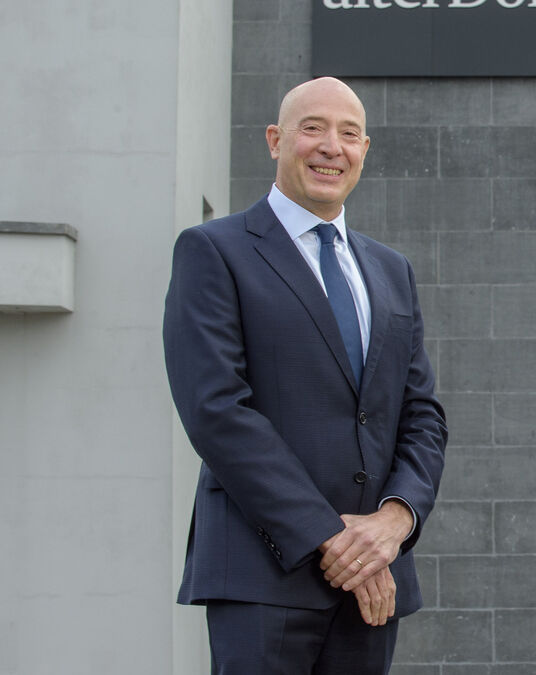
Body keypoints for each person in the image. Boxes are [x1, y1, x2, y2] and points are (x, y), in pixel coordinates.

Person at [163, 77, 446, 674]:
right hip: (264, 574)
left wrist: (393, 522)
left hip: (373, 583)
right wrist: (335, 540)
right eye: (312, 128)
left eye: (349, 134)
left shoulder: (392, 270)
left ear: (364, 150)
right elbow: (217, 411)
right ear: (275, 139)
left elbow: (421, 415)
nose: (331, 147)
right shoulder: (213, 251)